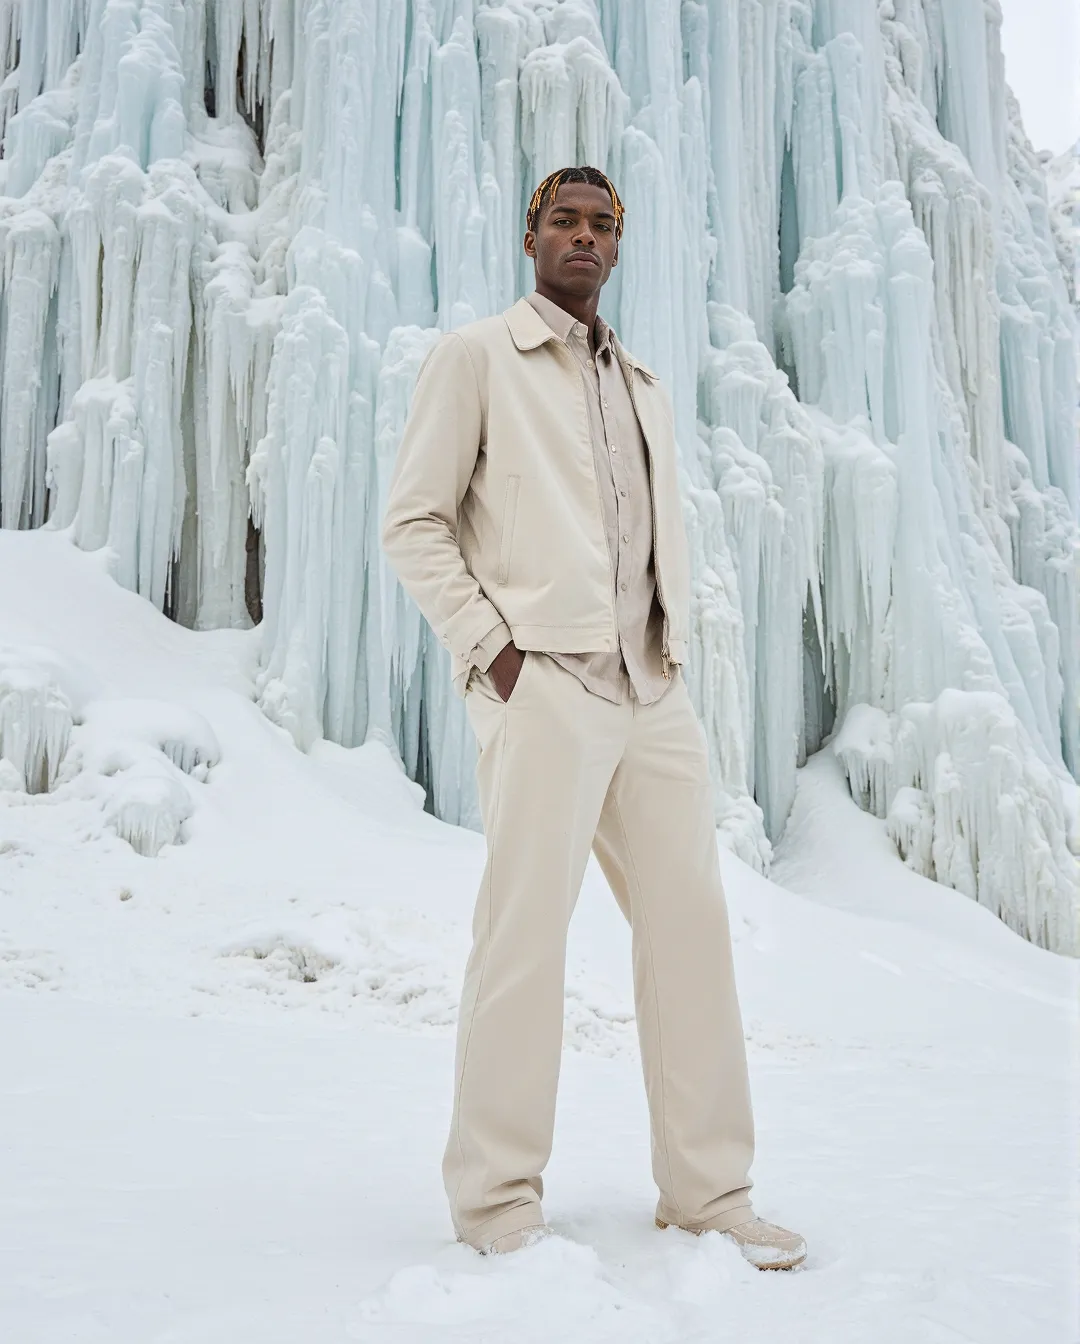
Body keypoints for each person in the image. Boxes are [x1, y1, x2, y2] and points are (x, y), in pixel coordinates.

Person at [381, 166, 806, 1269]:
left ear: (620, 245)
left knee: (692, 937)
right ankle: (497, 1205)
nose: (583, 236)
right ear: (531, 236)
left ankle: (712, 1193)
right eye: (564, 219)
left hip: (652, 688)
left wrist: (669, 653)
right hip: (549, 685)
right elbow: (415, 523)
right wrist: (497, 655)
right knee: (523, 938)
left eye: (602, 223)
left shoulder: (645, 382)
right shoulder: (478, 358)